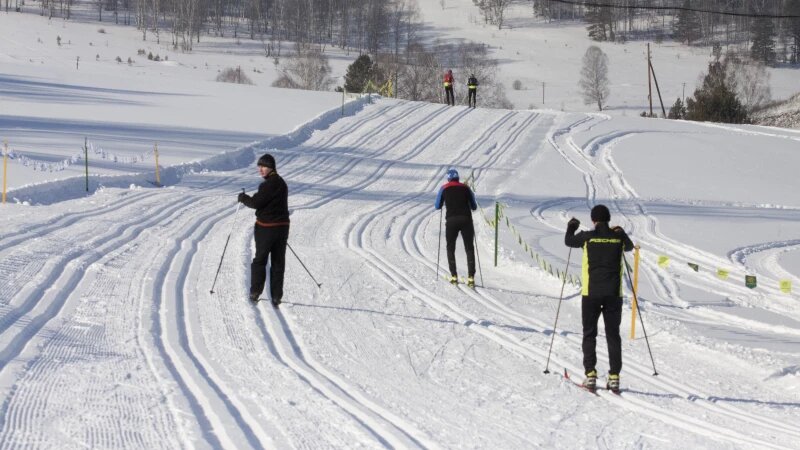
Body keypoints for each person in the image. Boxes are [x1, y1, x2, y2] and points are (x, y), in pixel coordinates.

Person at [564, 204, 634, 393]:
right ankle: (614, 377)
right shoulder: (618, 237)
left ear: (593, 220)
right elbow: (629, 247)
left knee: (589, 333)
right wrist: (621, 232)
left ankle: (591, 375)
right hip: (613, 294)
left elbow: (568, 241)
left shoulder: (587, 237)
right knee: (613, 335)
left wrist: (572, 226)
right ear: (608, 219)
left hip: (591, 293)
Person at [238, 153, 290, 306]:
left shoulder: (267, 185)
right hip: (282, 227)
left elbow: (256, 202)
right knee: (278, 262)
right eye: (259, 166)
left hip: (266, 228)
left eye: (264, 166)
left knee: (260, 260)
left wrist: (243, 198)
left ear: (271, 168)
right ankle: (276, 296)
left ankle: (255, 292)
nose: (260, 169)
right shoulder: (282, 183)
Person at [435, 169, 478, 288]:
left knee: (450, 247)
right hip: (466, 220)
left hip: (451, 221)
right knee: (469, 248)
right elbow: (474, 206)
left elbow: (437, 206)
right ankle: (471, 277)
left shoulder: (444, 188)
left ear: (448, 178)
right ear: (458, 178)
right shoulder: (466, 188)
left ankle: (454, 276)